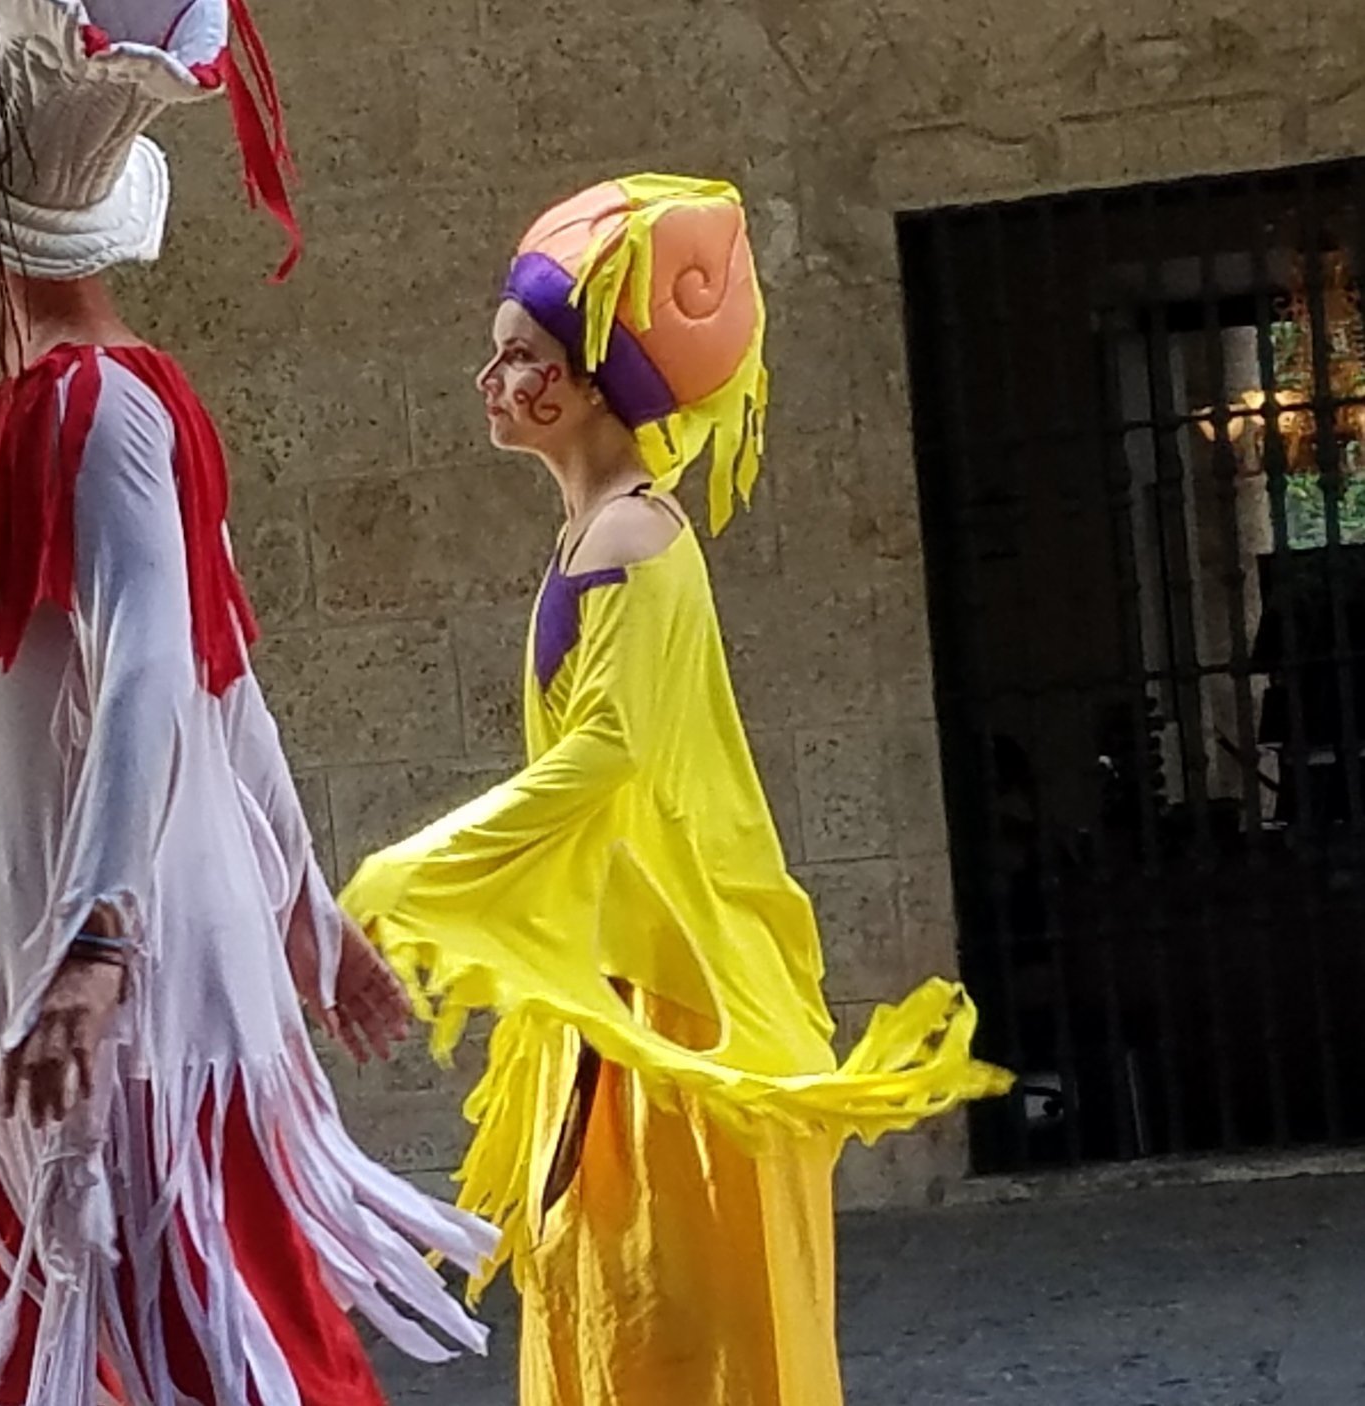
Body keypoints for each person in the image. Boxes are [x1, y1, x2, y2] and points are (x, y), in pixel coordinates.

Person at [0, 0, 495, 1401]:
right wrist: (305, 904)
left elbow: (169, 665)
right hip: (73, 966)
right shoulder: (72, 400)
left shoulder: (100, 404)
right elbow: (227, 683)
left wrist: (102, 936)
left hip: (117, 990)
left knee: (161, 1336)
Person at [339, 175, 1014, 1406]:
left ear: (591, 381)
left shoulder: (631, 544)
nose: (492, 382)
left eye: (518, 356)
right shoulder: (601, 533)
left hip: (669, 1009)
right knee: (613, 1305)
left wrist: (403, 876)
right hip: (620, 1001)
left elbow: (606, 754)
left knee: (673, 1330)